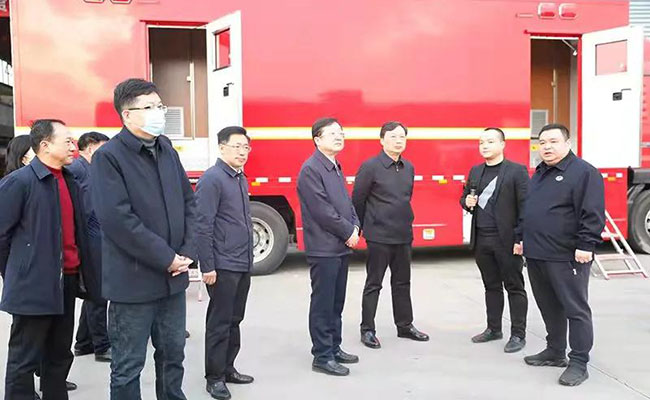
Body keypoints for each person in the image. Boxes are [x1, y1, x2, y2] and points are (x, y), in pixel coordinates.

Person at [92, 78, 197, 400]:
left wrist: (186, 251)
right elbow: (118, 220)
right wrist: (166, 258)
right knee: (128, 365)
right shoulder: (109, 157)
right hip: (133, 284)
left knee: (172, 356)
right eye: (149, 107)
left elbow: (189, 202)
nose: (158, 112)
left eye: (159, 106)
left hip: (173, 282)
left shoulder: (166, 149)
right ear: (127, 115)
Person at [0, 119, 99, 400]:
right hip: (33, 284)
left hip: (66, 280)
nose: (73, 147)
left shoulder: (69, 181)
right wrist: (17, 272)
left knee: (59, 355)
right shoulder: (19, 182)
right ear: (45, 145)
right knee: (24, 358)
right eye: (67, 141)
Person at [521, 123, 605, 387]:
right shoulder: (540, 173)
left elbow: (592, 213)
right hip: (537, 253)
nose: (547, 147)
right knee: (548, 305)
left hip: (567, 256)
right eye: (542, 142)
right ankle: (555, 351)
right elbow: (529, 210)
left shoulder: (584, 173)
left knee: (575, 309)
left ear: (568, 143)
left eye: (553, 141)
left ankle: (578, 362)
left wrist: (586, 245)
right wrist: (520, 238)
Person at [352, 121, 429, 349]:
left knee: (402, 282)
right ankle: (367, 329)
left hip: (403, 234)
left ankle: (405, 325)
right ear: (382, 140)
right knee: (374, 283)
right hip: (379, 236)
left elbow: (406, 198)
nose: (398, 141)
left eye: (402, 137)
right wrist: (361, 227)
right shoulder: (370, 166)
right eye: (393, 137)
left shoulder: (408, 167)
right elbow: (358, 199)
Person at [297, 117, 360, 377]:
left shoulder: (334, 165)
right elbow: (322, 210)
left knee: (336, 302)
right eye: (332, 133)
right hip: (324, 248)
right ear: (317, 139)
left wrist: (355, 225)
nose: (339, 136)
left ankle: (334, 347)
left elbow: (346, 202)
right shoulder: (311, 169)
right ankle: (322, 356)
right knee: (323, 303)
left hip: (339, 246)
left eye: (341, 132)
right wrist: (348, 231)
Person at [196, 126, 255, 400]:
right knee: (219, 322)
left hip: (242, 262)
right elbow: (203, 225)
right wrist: (207, 265)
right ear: (221, 148)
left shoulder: (239, 178)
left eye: (246, 147)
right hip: (223, 264)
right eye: (236, 146)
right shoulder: (212, 179)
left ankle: (228, 367)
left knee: (235, 319)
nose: (242, 152)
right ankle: (214, 377)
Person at [459, 127, 529, 353]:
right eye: (481, 142)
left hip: (506, 240)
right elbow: (464, 197)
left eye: (490, 141)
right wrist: (466, 201)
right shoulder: (476, 170)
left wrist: (521, 238)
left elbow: (525, 207)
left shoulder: (517, 171)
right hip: (482, 238)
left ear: (502, 145)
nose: (485, 146)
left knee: (514, 286)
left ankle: (518, 334)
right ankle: (493, 328)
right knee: (491, 286)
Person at [69, 132, 112, 363]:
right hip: (89, 239)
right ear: (89, 147)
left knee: (93, 292)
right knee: (98, 293)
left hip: (97, 237)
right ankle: (101, 346)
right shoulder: (77, 169)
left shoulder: (93, 169)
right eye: (103, 147)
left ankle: (83, 342)